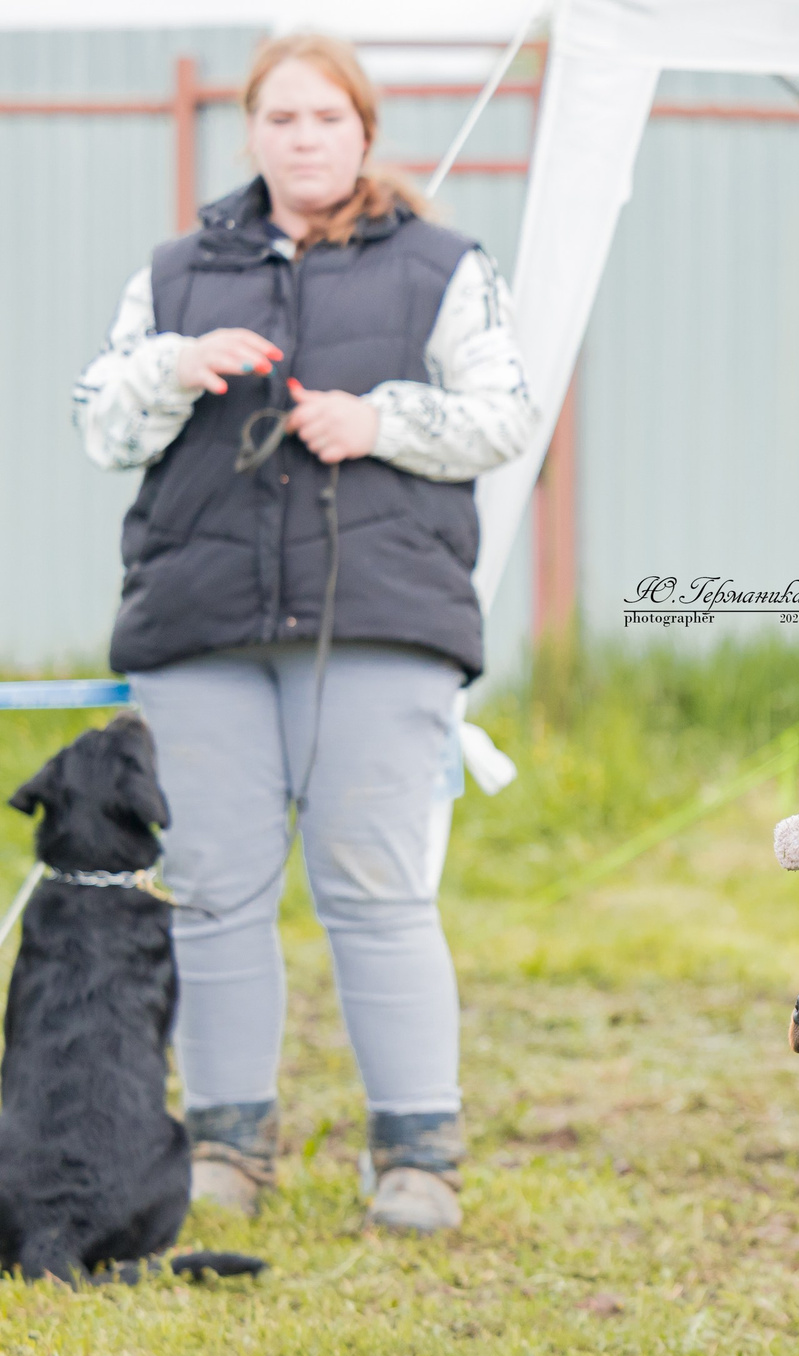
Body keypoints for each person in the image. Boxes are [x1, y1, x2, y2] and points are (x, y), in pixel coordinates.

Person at [71, 34, 537, 1235]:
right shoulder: (175, 273)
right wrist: (176, 365)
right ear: (254, 132)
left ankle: (417, 1158)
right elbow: (101, 428)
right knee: (216, 892)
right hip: (198, 628)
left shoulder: (443, 265)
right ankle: (227, 1146)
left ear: (364, 131)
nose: (306, 137)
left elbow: (506, 416)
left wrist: (375, 418)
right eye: (283, 118)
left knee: (376, 890)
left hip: (377, 621)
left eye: (328, 117)